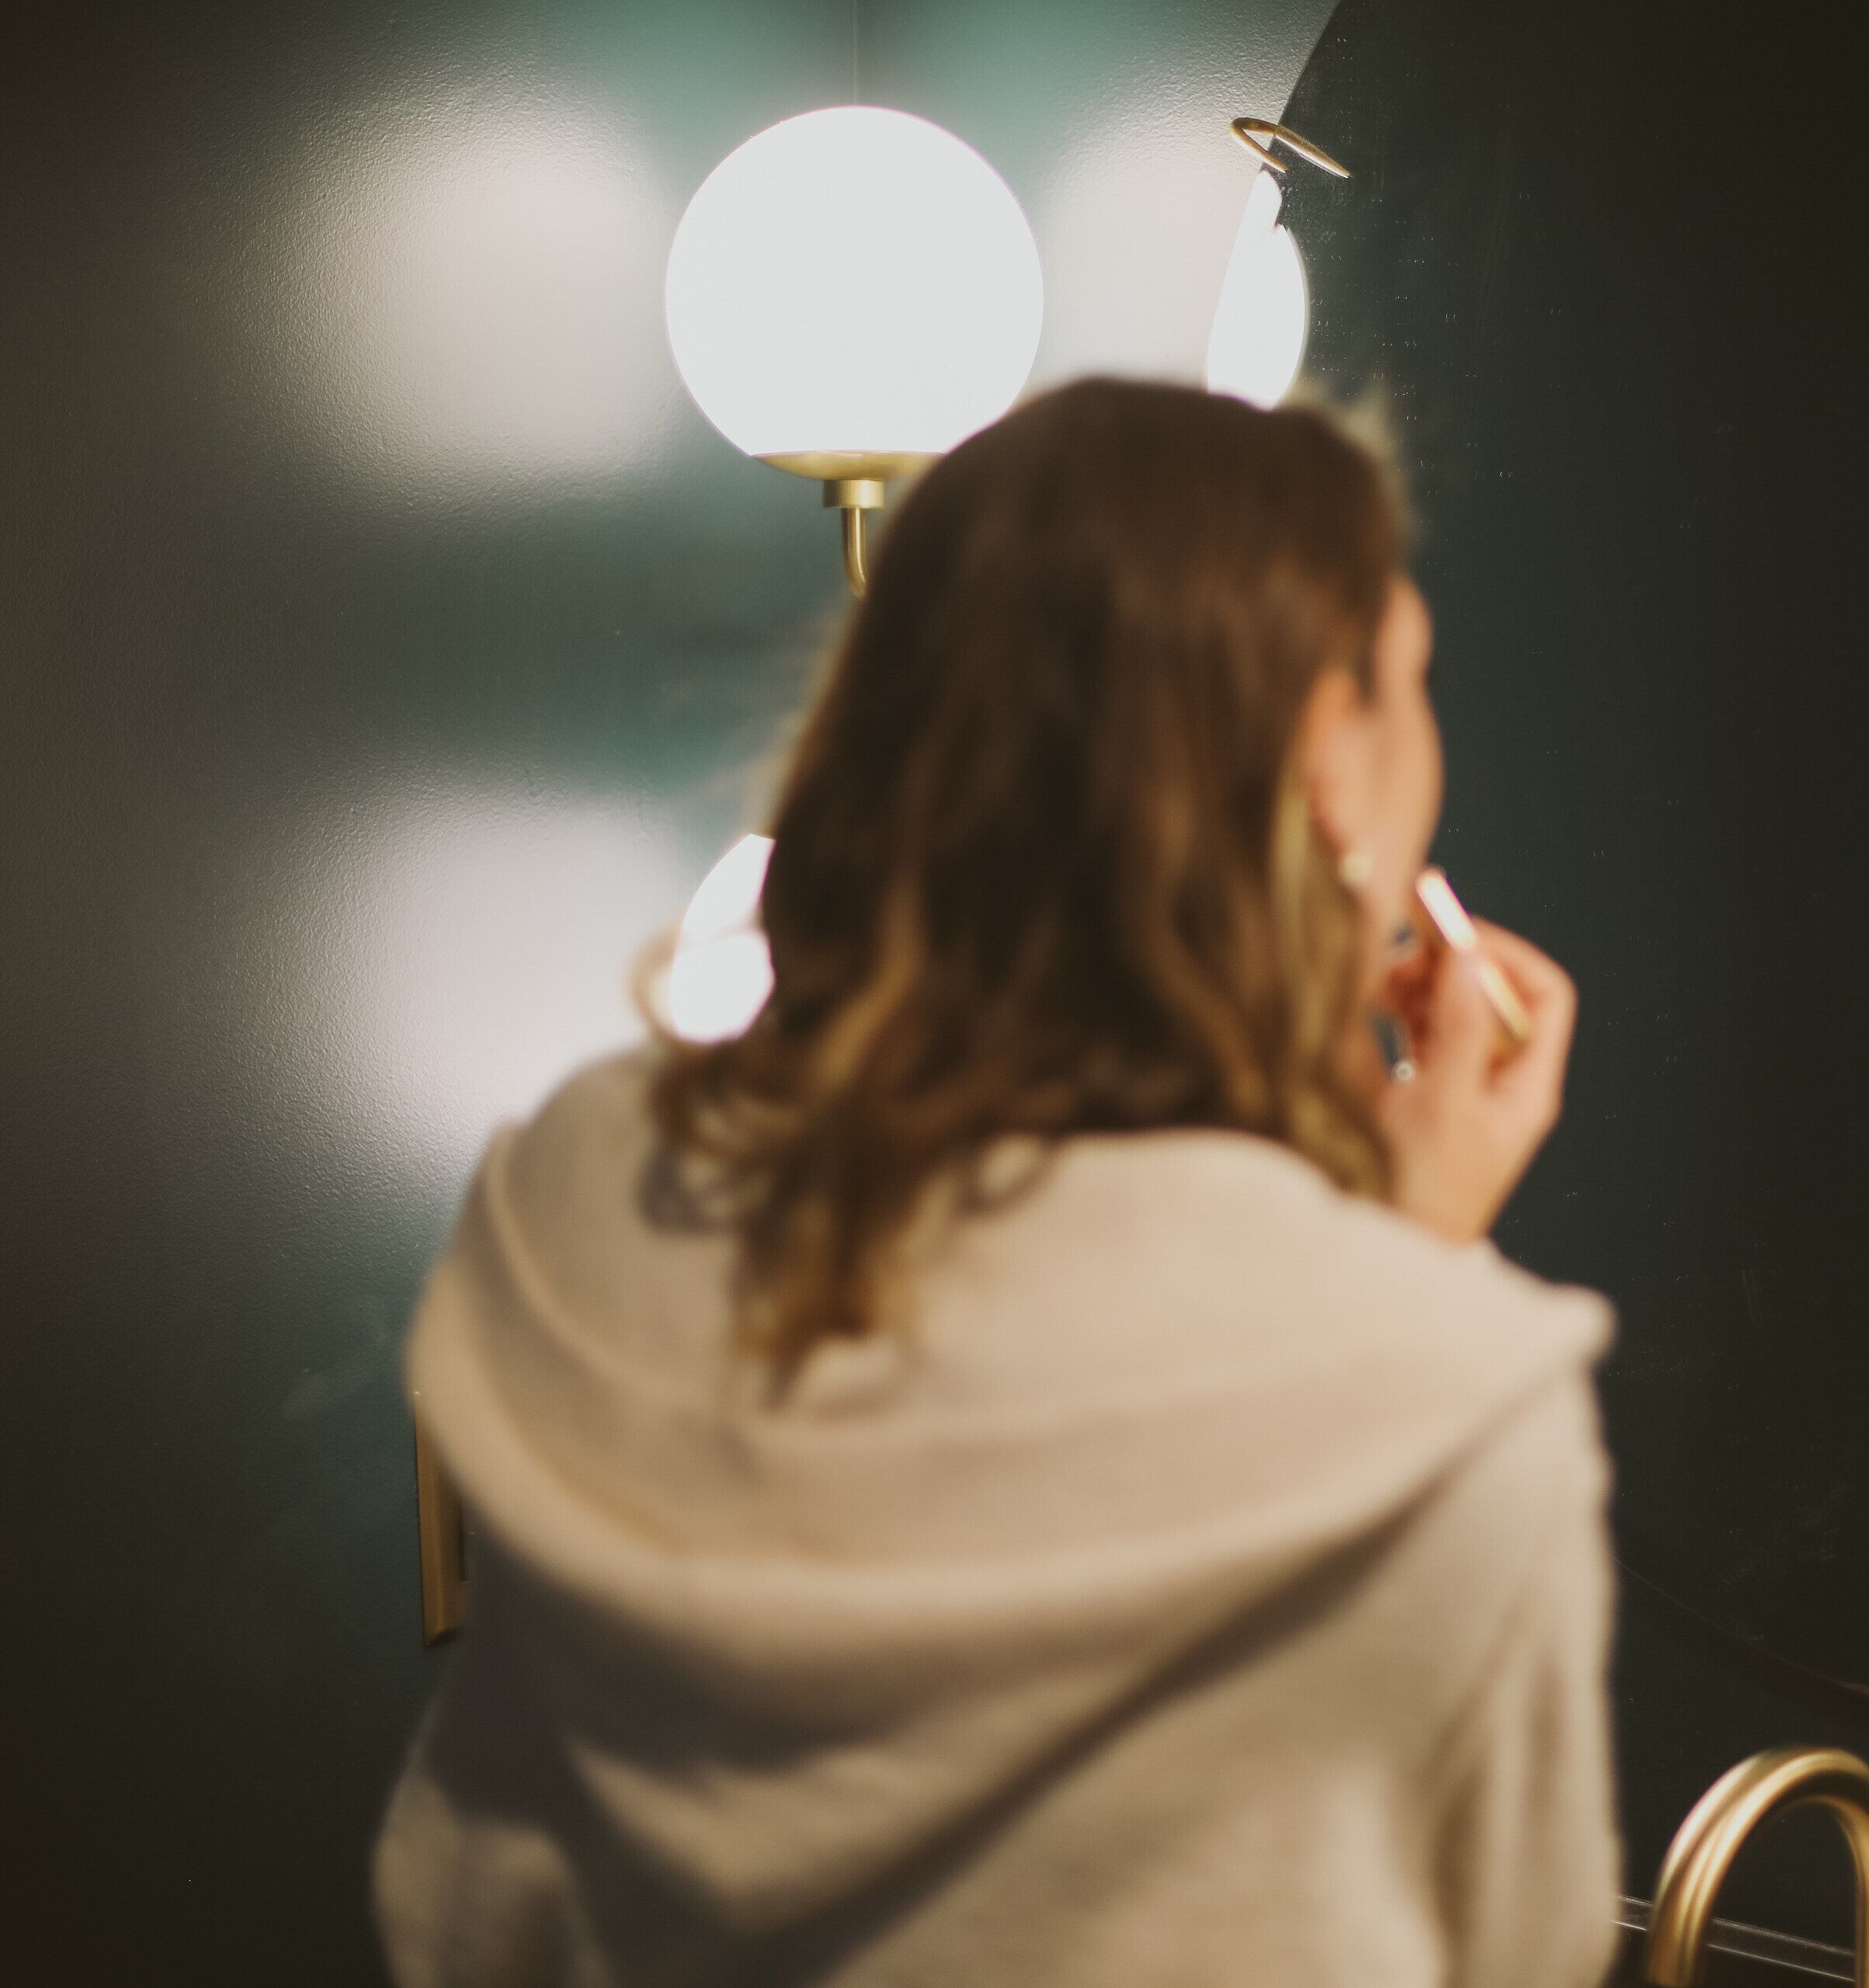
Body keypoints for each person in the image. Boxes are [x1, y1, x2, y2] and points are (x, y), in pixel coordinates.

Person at [373, 380, 1616, 1986]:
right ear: (1327, 770)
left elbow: (469, 1895)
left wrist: (1385, 1260)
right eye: (1414, 680)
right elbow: (1511, 1947)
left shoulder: (580, 1197)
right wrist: (1409, 1276)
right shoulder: (1456, 1405)